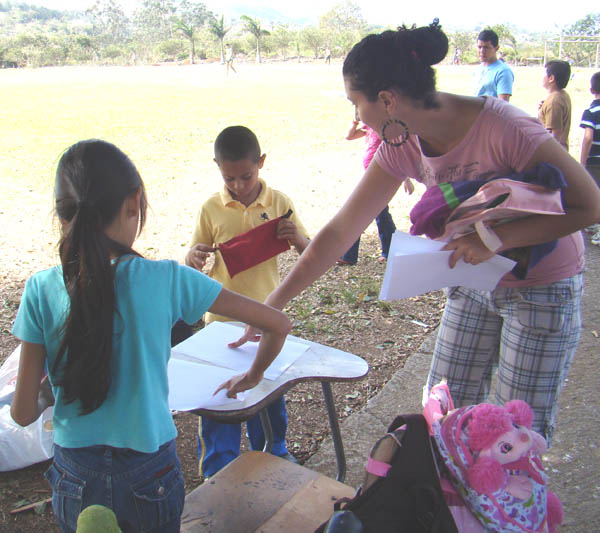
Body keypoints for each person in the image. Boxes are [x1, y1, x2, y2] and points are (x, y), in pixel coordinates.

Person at [232, 21, 600, 445]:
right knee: (443, 416)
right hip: (472, 278)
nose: (356, 116)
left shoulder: (507, 129)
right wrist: (272, 304)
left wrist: (494, 240)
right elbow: (338, 233)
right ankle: (450, 509)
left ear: (387, 100)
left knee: (514, 439)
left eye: (357, 103)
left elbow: (588, 205)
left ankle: (506, 513)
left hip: (541, 287)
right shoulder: (401, 143)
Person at [10, 139, 292, 532]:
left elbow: (22, 413)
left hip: (75, 473)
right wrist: (254, 375)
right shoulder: (168, 279)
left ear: (63, 216)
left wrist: (50, 388)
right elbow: (278, 324)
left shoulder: (40, 289)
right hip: (149, 471)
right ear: (134, 202)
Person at [185, 126, 310, 478]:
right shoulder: (211, 208)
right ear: (217, 167)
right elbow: (194, 257)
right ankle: (217, 468)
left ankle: (273, 453)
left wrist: (297, 237)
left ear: (261, 163)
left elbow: (310, 254)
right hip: (220, 320)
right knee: (219, 396)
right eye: (229, 177)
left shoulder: (279, 203)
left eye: (246, 176)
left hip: (268, 319)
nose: (238, 185)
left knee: (266, 391)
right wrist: (192, 257)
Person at [338, 115, 413, 265]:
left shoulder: (386, 128)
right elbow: (349, 136)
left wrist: (406, 179)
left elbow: (397, 152)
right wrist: (355, 122)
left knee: (360, 213)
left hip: (383, 175)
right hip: (371, 176)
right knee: (379, 214)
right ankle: (391, 251)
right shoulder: (370, 125)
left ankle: (350, 255)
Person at [580, 71, 600, 243]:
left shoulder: (591, 111)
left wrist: (582, 161)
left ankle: (596, 226)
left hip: (595, 161)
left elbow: (588, 138)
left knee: (595, 192)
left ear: (591, 89)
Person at [538, 60, 572, 152]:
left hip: (552, 155)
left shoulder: (554, 101)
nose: (541, 77)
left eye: (544, 73)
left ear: (551, 78)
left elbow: (554, 136)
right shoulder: (562, 95)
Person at [474, 29, 514, 101]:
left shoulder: (503, 72)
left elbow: (502, 105)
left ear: (496, 48)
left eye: (486, 47)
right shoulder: (478, 69)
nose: (482, 51)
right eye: (479, 47)